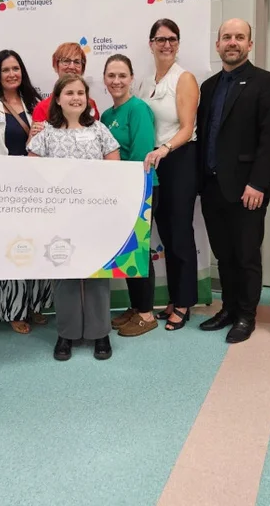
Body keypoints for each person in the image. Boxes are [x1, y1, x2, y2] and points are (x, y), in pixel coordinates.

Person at [197, 19, 270, 344]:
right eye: (226, 37)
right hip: (212, 187)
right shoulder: (208, 87)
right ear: (218, 45)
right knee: (224, 255)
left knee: (247, 256)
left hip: (248, 189)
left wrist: (259, 183)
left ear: (249, 44)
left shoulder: (267, 82)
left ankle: (247, 315)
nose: (232, 42)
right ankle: (229, 309)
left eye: (239, 37)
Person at [27, 74, 120, 360]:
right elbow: (32, 173)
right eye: (69, 93)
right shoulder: (45, 134)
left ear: (87, 98)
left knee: (96, 275)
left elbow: (114, 170)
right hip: (60, 219)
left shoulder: (100, 130)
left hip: (94, 216)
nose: (76, 98)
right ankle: (66, 334)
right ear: (57, 99)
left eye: (81, 92)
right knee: (64, 276)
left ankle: (100, 333)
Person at [0, 50, 52, 333]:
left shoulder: (35, 103)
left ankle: (35, 305)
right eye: (5, 69)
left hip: (37, 188)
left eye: (16, 68)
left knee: (37, 245)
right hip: (4, 188)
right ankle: (13, 309)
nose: (11, 74)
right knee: (10, 247)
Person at [139, 19, 200, 331]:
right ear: (150, 44)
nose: (166, 44)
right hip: (155, 163)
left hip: (178, 159)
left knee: (180, 234)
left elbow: (187, 128)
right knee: (165, 232)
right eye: (161, 39)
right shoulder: (145, 81)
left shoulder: (184, 78)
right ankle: (174, 298)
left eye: (172, 39)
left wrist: (165, 148)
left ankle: (185, 301)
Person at [101, 54, 159, 337]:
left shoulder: (138, 109)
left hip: (139, 190)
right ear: (104, 79)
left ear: (132, 79)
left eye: (122, 75)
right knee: (126, 252)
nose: (117, 81)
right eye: (111, 75)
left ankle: (147, 314)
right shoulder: (106, 116)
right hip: (117, 193)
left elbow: (142, 155)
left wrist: (128, 190)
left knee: (139, 250)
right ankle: (136, 307)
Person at [29, 42, 100, 135]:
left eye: (77, 62)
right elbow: (34, 142)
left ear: (82, 68)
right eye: (66, 61)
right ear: (56, 65)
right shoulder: (42, 108)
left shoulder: (90, 104)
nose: (72, 66)